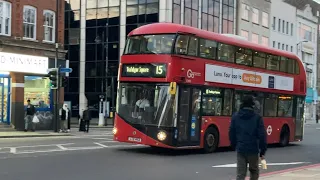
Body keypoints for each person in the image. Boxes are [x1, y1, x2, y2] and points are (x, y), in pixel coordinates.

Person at [229, 95, 267, 180]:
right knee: (254, 171)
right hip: (253, 149)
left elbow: (231, 132)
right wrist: (262, 150)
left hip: (241, 149)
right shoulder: (257, 118)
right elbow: (262, 135)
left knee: (240, 174)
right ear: (252, 105)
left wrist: (234, 145)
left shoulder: (235, 116)